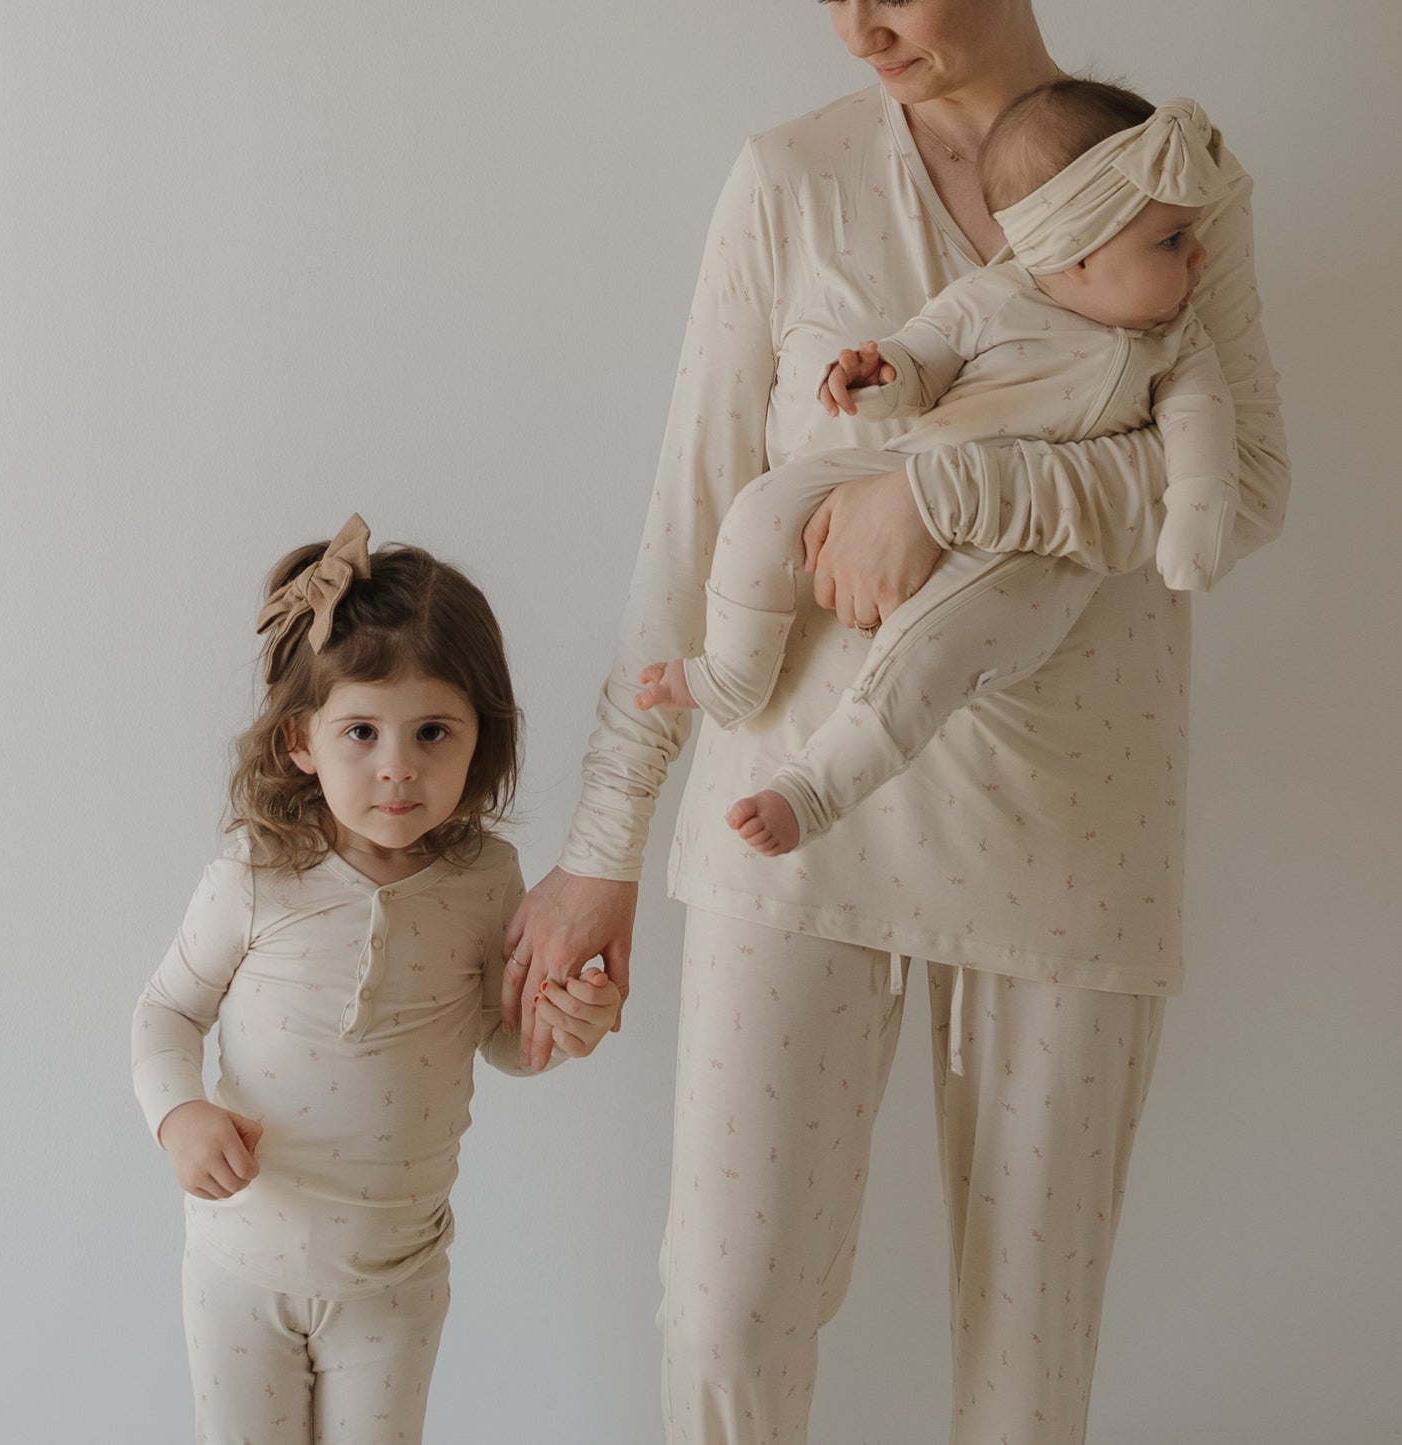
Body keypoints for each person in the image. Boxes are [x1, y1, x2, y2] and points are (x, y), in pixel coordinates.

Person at [504, 2, 1289, 1440]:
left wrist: (942, 493)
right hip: (787, 812)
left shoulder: (1172, 179)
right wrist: (605, 837)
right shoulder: (790, 178)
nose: (856, 19)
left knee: (1026, 1370)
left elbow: (1233, 493)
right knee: (726, 1311)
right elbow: (691, 513)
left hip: (1069, 835)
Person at [633, 83, 1239, 856]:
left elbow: (1202, 440)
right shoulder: (995, 295)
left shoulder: (1175, 347)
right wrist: (879, 377)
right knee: (763, 505)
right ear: (1077, 252)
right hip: (900, 463)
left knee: (921, 659)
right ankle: (732, 669)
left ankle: (812, 788)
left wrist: (1194, 514)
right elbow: (924, 355)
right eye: (1170, 242)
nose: (1199, 256)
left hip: (1021, 560)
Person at [131, 515, 620, 1445]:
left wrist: (561, 1025)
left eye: (433, 731)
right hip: (241, 1270)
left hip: (396, 1278)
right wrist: (177, 1114)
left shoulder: (485, 880)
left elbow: (500, 1037)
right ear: (300, 742)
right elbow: (166, 1010)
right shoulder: (256, 872)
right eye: (362, 730)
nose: (398, 766)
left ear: (482, 740)